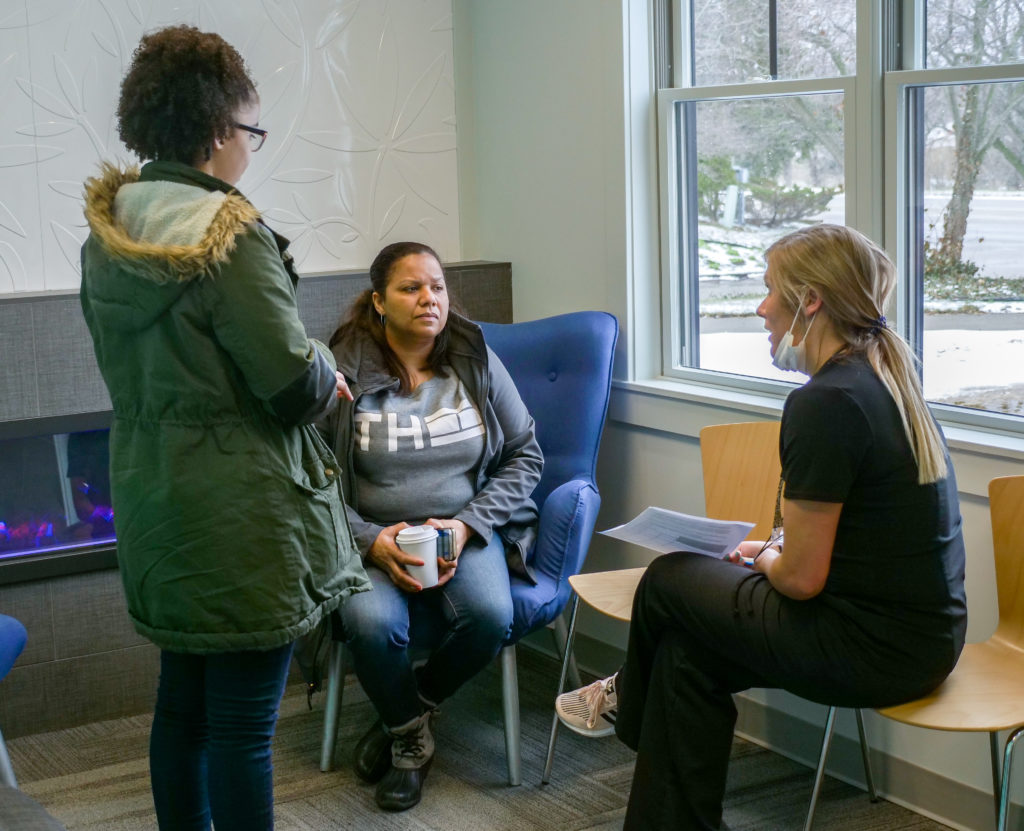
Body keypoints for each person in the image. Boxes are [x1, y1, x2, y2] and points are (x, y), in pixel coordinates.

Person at [555, 224, 967, 830]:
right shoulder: (881, 380)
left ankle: (627, 706)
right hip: (920, 640)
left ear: (811, 301)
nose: (761, 307)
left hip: (870, 647)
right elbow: (855, 544)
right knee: (685, 654)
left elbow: (800, 581)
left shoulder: (827, 402)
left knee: (669, 578)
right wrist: (764, 551)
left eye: (771, 289)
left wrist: (768, 561)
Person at [79, 25, 369, 831]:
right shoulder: (226, 234)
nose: (251, 150)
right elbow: (284, 381)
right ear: (217, 133)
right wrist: (322, 362)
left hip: (156, 498)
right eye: (251, 131)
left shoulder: (105, 239)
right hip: (242, 516)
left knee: (182, 710)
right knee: (242, 728)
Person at [319, 241, 543, 812]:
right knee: (369, 624)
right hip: (371, 535)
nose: (429, 299)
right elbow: (308, 480)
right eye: (410, 287)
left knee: (492, 616)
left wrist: (469, 525)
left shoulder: (475, 359)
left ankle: (405, 719)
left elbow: (525, 455)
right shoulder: (338, 373)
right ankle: (413, 745)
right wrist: (368, 539)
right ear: (378, 300)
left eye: (437, 287)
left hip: (462, 528)